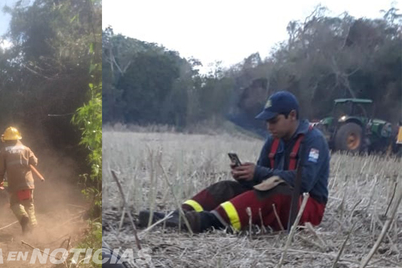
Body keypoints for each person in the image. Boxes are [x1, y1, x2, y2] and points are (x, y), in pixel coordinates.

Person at [139, 91, 330, 233]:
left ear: (292, 116)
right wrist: (246, 176)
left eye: (274, 120)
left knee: (276, 191)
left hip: (305, 210)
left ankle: (208, 221)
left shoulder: (314, 140)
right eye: (267, 122)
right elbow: (260, 182)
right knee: (225, 187)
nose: (269, 126)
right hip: (275, 201)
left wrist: (259, 173)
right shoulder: (273, 140)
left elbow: (303, 182)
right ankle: (177, 215)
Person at [0, 126, 39, 233]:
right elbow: (35, 162)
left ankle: (23, 217)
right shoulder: (26, 149)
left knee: (15, 203)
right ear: (17, 138)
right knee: (29, 204)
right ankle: (34, 226)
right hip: (28, 182)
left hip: (14, 183)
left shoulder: (4, 151)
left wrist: (0, 181)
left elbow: (0, 169)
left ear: (6, 139)